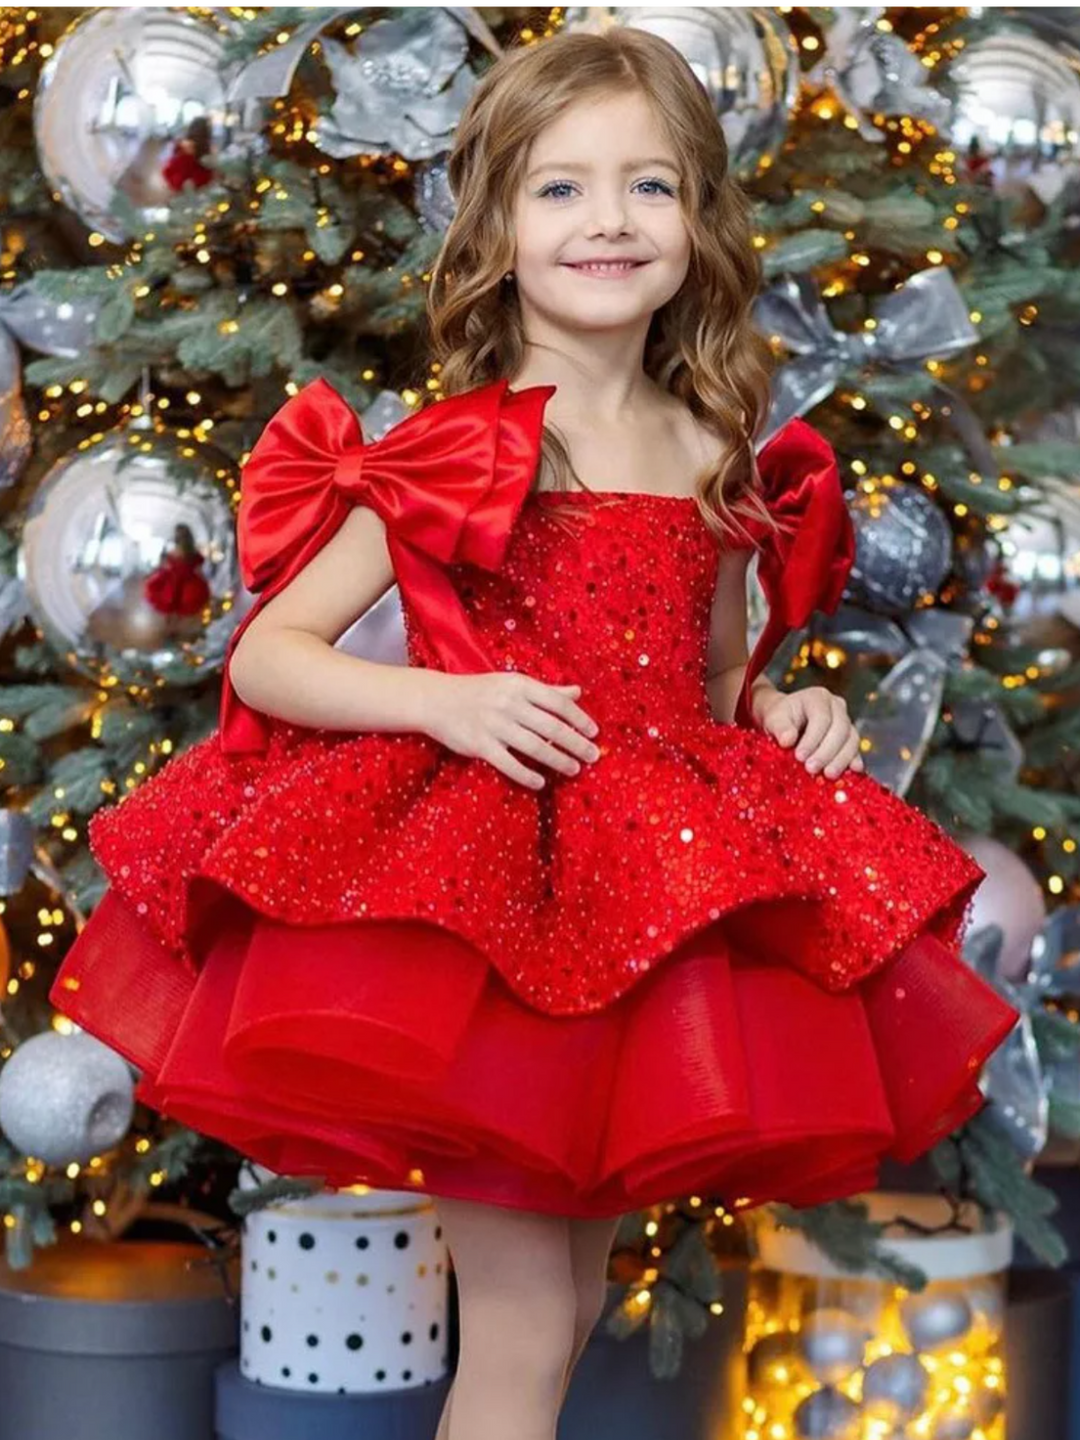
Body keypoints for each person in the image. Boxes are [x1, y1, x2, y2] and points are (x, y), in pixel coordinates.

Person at [50, 27, 1020, 1440]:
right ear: (497, 227)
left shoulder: (711, 447)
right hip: (486, 912)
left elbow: (714, 674)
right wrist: (444, 701)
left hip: (632, 905)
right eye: (560, 188)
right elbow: (271, 653)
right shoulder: (472, 441)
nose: (607, 220)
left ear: (698, 217)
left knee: (565, 1312)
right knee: (517, 1321)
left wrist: (782, 706)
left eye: (648, 185)